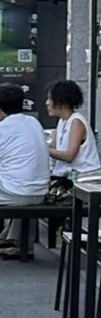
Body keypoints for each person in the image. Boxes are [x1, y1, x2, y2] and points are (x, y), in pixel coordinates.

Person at [0, 84, 50, 259]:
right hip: (40, 193)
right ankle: (20, 243)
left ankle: (14, 241)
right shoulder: (34, 122)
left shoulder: (3, 128)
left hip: (17, 194)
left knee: (14, 182)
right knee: (18, 180)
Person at [46, 80, 101, 179]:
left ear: (63, 102)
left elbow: (69, 156)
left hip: (82, 176)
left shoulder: (76, 122)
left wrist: (44, 150)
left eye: (51, 99)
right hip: (66, 175)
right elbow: (53, 148)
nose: (47, 103)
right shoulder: (62, 121)